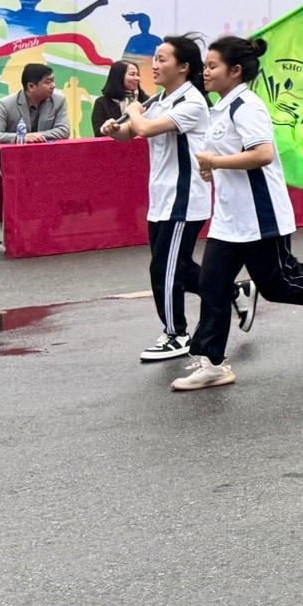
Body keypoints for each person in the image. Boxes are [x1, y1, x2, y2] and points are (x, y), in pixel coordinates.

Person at [170, 34, 303, 390]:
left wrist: (215, 161)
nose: (206, 72)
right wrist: (212, 167)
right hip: (229, 220)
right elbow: (228, 157)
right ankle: (213, 362)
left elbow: (262, 154)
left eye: (213, 66)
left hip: (262, 217)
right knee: (213, 286)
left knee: (279, 285)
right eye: (207, 65)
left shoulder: (248, 106)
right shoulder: (221, 108)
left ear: (236, 71)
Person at [100, 36, 210, 363]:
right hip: (161, 199)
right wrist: (114, 130)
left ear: (184, 67)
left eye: (162, 59)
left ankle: (177, 335)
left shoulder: (192, 103)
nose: (155, 66)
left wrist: (133, 110)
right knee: (180, 267)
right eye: (155, 59)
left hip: (184, 200)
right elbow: (131, 133)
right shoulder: (159, 100)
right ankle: (233, 292)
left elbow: (145, 128)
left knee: (163, 269)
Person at [0, 62, 71, 147]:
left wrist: (35, 137)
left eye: (53, 81)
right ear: (31, 86)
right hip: (14, 157)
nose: (53, 86)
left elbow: (64, 131)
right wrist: (21, 137)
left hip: (45, 157)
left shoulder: (58, 101)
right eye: (48, 82)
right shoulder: (5, 104)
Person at [90, 59, 138, 138]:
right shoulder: (102, 103)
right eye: (132, 74)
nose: (136, 78)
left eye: (137, 74)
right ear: (119, 77)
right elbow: (98, 133)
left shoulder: (144, 100)